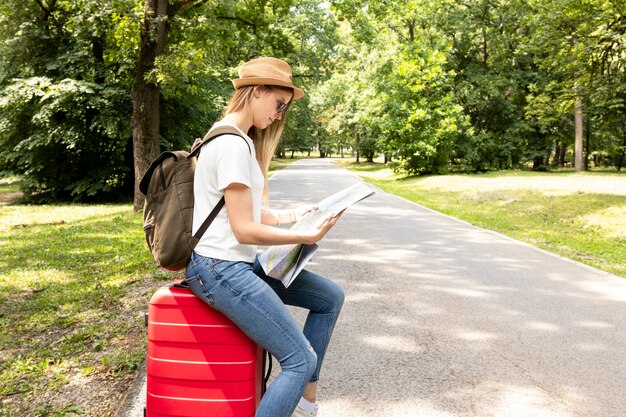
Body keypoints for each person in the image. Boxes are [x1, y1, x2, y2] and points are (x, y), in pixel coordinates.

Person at [185, 57, 345, 417]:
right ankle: (302, 400)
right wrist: (304, 235)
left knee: (328, 297)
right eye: (279, 104)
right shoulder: (231, 145)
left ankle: (305, 401)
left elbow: (247, 212)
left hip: (231, 263)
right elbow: (244, 229)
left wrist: (296, 216)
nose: (279, 115)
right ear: (257, 91)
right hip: (220, 270)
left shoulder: (235, 138)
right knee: (299, 358)